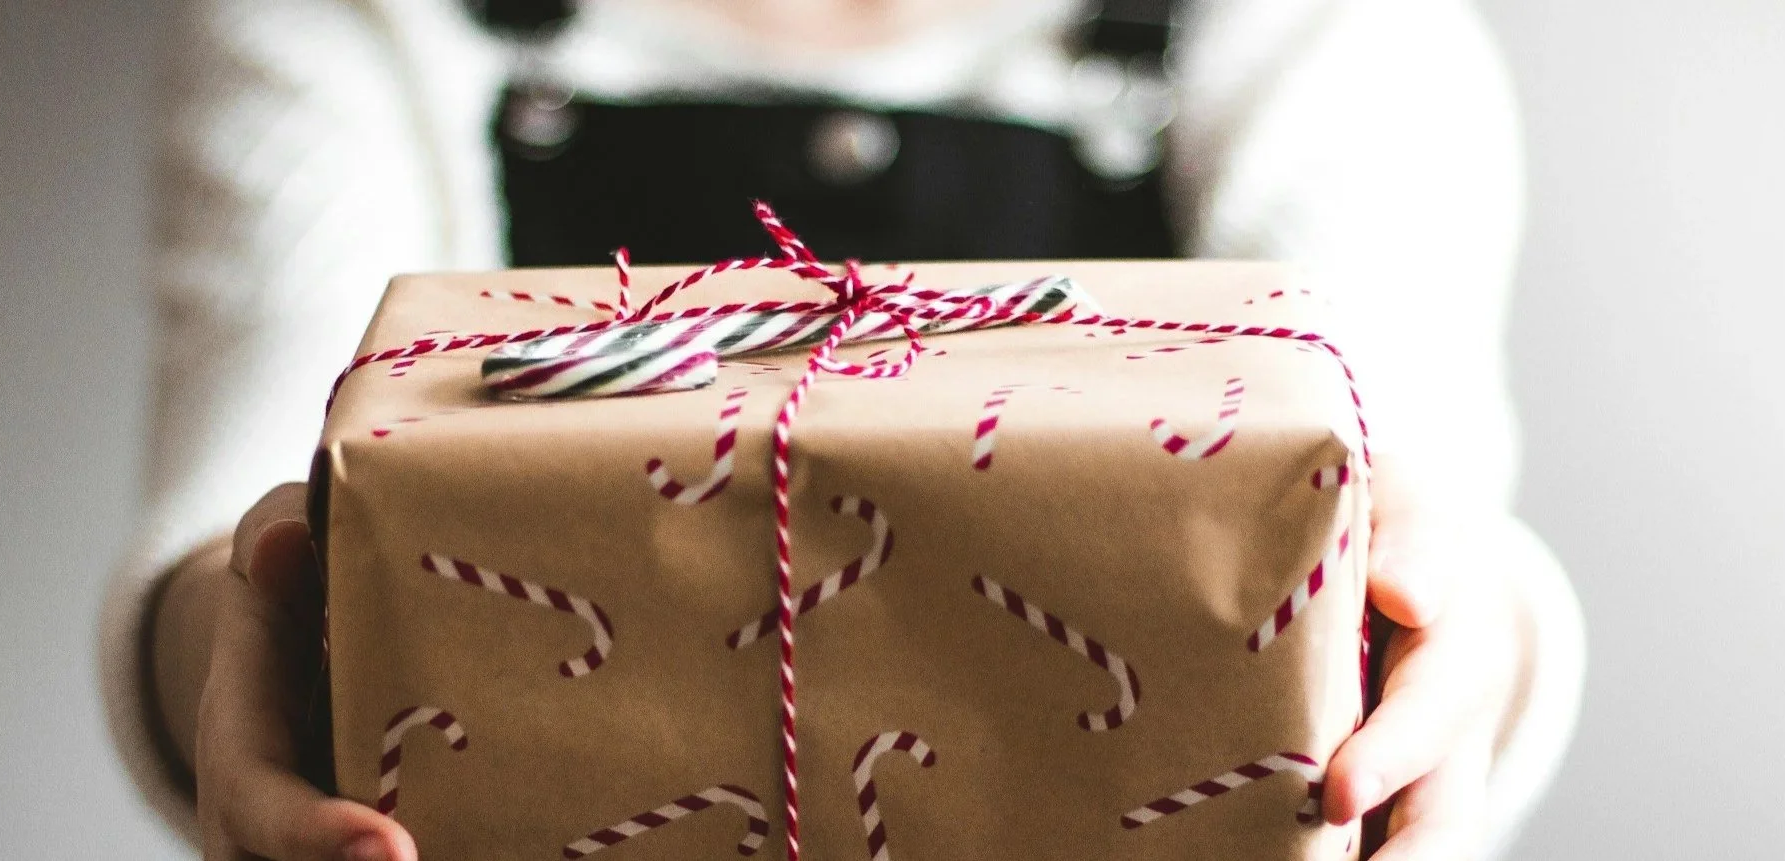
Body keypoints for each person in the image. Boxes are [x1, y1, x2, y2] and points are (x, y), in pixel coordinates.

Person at [95, 1, 1587, 859]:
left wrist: (1471, 643)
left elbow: (1415, 493)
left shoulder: (1306, 22)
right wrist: (249, 660)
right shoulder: (364, 19)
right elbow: (247, 506)